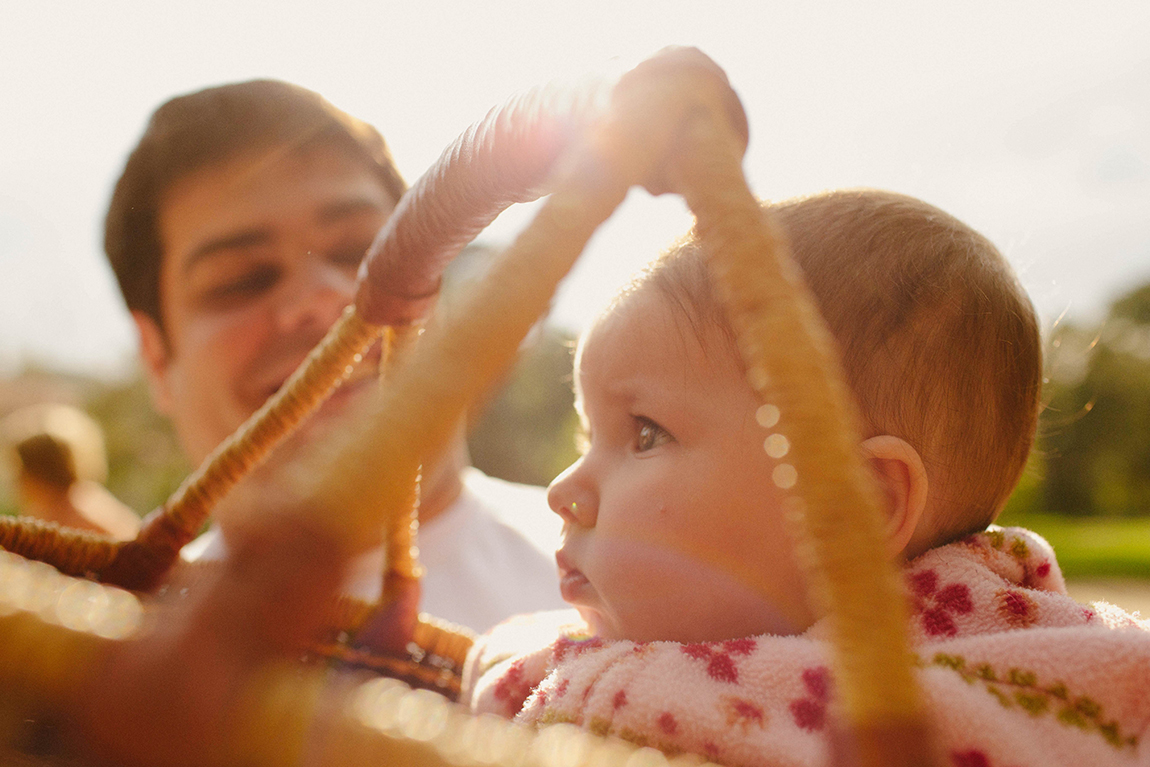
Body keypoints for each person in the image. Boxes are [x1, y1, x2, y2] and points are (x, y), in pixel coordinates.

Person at [463, 190, 1150, 765]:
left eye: (645, 433)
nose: (563, 489)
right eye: (590, 434)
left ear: (850, 509)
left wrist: (502, 664)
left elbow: (572, 694)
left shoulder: (850, 715)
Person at [103, 79, 565, 632]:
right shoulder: (105, 667)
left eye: (362, 249)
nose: (322, 299)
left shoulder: (654, 584)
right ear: (157, 360)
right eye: (242, 280)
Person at [2, 403, 140, 540]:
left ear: (39, 472)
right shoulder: (45, 510)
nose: (15, 479)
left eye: (20, 468)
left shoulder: (84, 518)